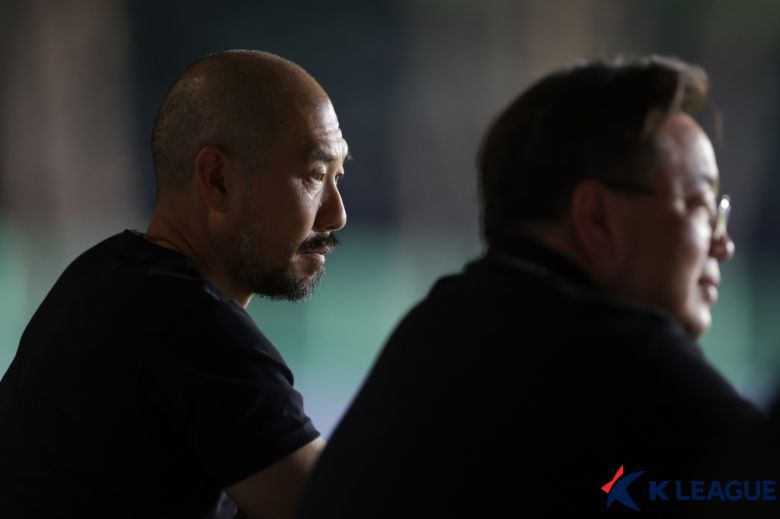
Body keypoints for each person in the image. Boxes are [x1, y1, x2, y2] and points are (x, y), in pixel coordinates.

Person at [296, 56, 762, 518]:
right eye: (702, 205)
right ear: (597, 217)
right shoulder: (622, 355)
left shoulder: (434, 326)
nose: (723, 244)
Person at [0, 50, 348, 519]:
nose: (337, 214)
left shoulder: (101, 276)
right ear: (219, 179)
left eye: (337, 177)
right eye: (315, 176)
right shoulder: (189, 325)